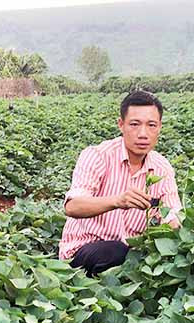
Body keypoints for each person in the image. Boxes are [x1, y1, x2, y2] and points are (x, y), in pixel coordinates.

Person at [58, 91, 183, 275]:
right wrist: (117, 201)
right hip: (86, 250)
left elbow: (174, 215)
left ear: (159, 128)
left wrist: (180, 227)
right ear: (121, 125)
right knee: (114, 252)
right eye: (134, 124)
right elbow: (72, 206)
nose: (143, 134)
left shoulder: (162, 168)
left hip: (134, 255)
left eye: (151, 125)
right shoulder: (98, 156)